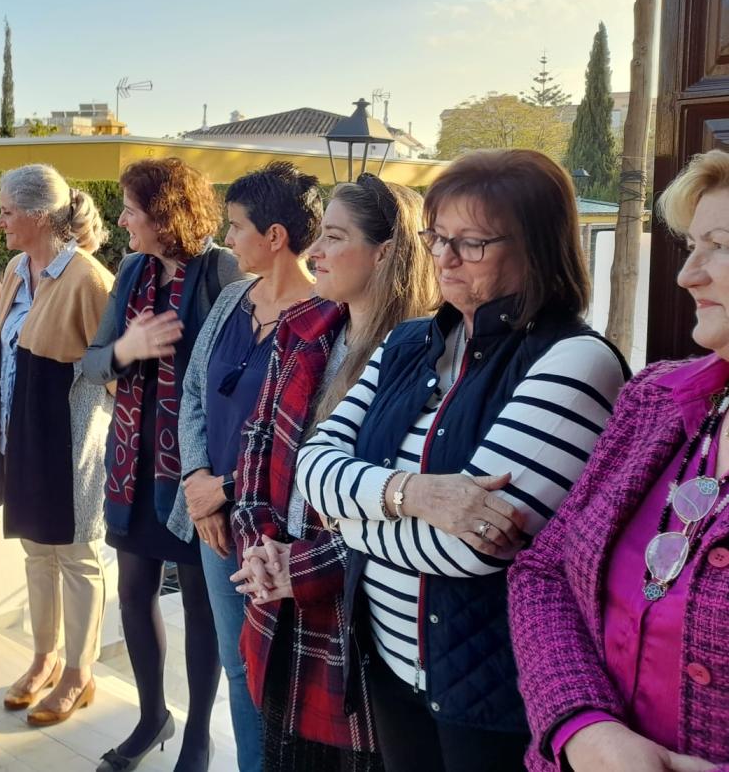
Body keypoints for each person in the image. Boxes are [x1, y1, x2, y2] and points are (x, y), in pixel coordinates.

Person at [295, 149, 628, 772]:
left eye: (472, 244)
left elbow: (468, 551)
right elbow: (311, 464)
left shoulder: (575, 361)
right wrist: (413, 496)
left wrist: (347, 515)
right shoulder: (406, 342)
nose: (444, 258)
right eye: (438, 237)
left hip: (496, 692)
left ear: (537, 248)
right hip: (389, 665)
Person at [509, 149, 729, 772]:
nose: (688, 275)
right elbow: (543, 572)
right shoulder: (657, 400)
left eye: (720, 245)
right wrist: (582, 727)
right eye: (692, 245)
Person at [230, 174, 436, 772]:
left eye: (332, 237)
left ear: (387, 252)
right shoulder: (305, 333)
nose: (313, 252)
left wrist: (298, 569)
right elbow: (255, 451)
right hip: (274, 607)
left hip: (360, 628)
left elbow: (397, 516)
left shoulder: (426, 357)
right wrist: (261, 553)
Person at [82, 156, 242, 772]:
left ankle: (198, 733)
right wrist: (128, 347)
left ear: (165, 215)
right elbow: (91, 362)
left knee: (202, 605)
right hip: (130, 467)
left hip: (193, 476)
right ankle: (153, 719)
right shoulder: (128, 271)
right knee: (133, 592)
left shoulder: (222, 272)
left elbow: (234, 377)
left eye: (131, 210)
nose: (121, 221)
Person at [175, 162, 322, 772]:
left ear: (276, 236)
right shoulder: (234, 297)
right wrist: (194, 480)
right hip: (214, 527)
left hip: (276, 535)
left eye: (236, 227)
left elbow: (311, 438)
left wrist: (224, 489)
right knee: (238, 666)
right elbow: (191, 393)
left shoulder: (326, 319)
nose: (228, 240)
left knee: (283, 672)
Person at [0, 164, 113, 726]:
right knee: (36, 551)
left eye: (8, 211)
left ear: (39, 216)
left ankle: (78, 673)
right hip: (22, 433)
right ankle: (44, 658)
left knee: (77, 555)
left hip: (70, 439)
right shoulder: (16, 268)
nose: (0, 221)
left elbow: (114, 370)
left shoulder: (88, 277)